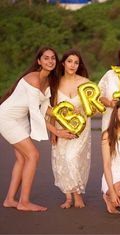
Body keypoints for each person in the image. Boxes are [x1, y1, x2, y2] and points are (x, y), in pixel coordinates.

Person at [0, 46, 74, 212]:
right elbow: (35, 112)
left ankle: (10, 199)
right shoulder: (33, 79)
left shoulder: (48, 82)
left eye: (53, 58)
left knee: (22, 158)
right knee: (33, 155)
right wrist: (57, 132)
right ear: (39, 61)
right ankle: (24, 202)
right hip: (7, 118)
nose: (50, 61)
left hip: (20, 118)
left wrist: (65, 114)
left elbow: (46, 108)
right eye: (46, 58)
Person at [50, 49, 91, 209]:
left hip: (80, 128)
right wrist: (53, 130)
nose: (73, 65)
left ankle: (77, 195)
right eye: (69, 61)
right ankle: (68, 197)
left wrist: (82, 111)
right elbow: (52, 108)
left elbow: (92, 108)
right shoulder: (55, 82)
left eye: (76, 62)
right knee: (62, 159)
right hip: (61, 127)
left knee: (72, 158)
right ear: (63, 63)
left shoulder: (85, 82)